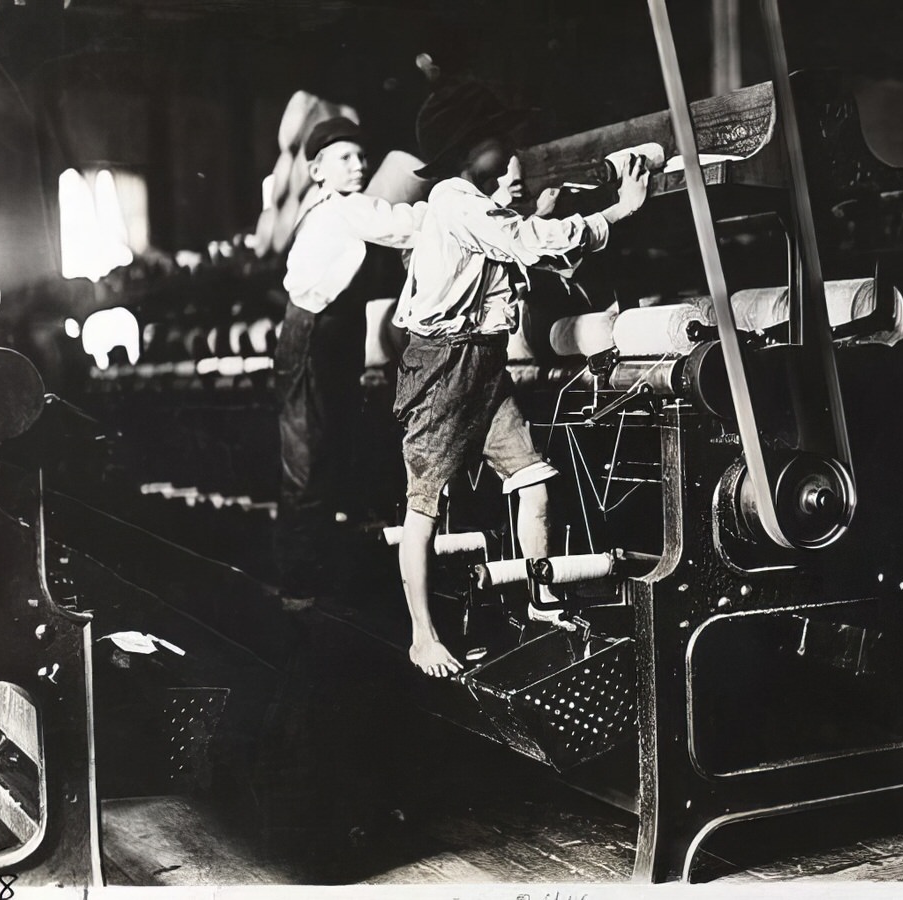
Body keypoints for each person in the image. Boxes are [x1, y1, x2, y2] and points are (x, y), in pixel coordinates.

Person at [392, 81, 649, 676]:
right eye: (497, 142)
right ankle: (422, 636)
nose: (511, 153)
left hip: (483, 361)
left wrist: (542, 213)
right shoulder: (455, 199)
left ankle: (542, 599)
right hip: (443, 364)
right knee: (423, 507)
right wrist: (617, 212)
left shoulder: (473, 202)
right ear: (464, 149)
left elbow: (518, 242)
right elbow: (526, 245)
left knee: (533, 477)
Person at [277, 117, 425, 610]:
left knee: (327, 451)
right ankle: (299, 588)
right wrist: (453, 208)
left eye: (362, 157)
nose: (359, 165)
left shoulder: (320, 207)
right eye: (344, 158)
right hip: (313, 336)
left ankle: (317, 579)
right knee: (309, 458)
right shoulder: (342, 208)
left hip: (323, 335)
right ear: (317, 169)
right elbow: (400, 224)